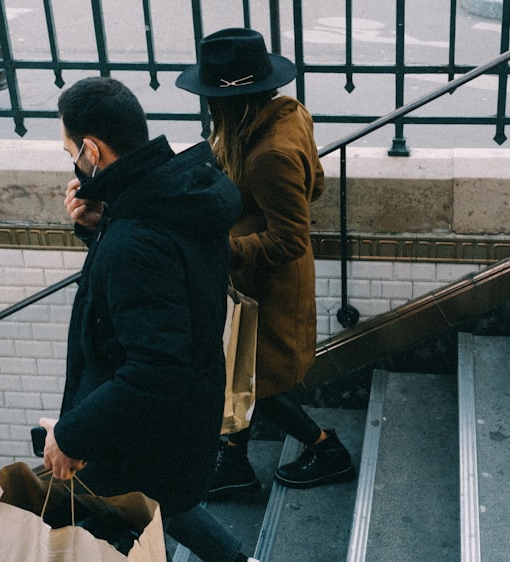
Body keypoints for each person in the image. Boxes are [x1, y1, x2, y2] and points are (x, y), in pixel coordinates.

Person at [41, 76, 256, 562]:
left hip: (145, 429)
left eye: (72, 151)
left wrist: (70, 433)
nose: (73, 162)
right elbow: (162, 279)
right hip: (181, 414)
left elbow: (156, 366)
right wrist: (98, 228)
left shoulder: (136, 237)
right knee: (166, 505)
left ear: (92, 151)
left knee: (147, 505)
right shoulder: (174, 197)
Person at [175, 28, 355, 499]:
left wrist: (225, 249)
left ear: (229, 102)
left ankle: (326, 449)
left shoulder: (268, 154)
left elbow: (290, 237)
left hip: (270, 288)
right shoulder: (283, 116)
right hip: (254, 285)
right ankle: (234, 463)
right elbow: (312, 183)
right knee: (241, 372)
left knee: (260, 383)